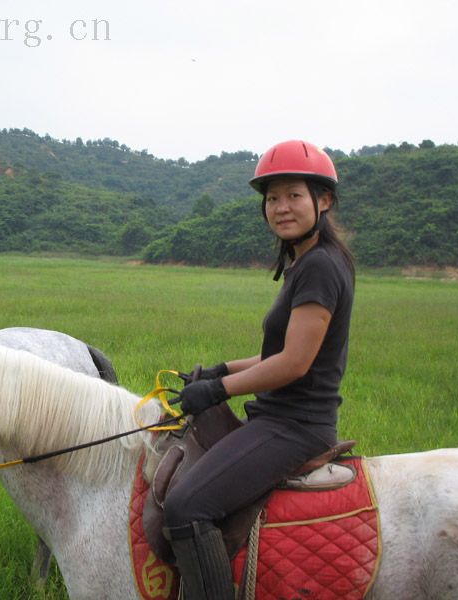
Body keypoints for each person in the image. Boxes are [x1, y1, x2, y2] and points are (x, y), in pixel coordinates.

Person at [162, 140, 355, 600]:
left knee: (186, 506)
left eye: (294, 195)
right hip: (280, 417)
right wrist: (220, 369)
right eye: (272, 198)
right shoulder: (304, 263)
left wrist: (218, 390)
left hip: (295, 426)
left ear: (322, 201)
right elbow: (278, 352)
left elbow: (294, 363)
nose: (281, 207)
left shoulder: (320, 268)